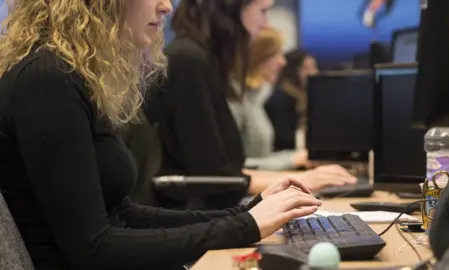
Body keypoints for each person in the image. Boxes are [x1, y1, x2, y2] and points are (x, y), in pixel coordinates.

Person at [0, 1, 323, 269]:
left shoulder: (70, 76)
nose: (167, 6)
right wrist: (244, 227)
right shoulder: (47, 80)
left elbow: (123, 213)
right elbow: (94, 249)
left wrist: (246, 213)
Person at [145, 0, 356, 210]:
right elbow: (212, 178)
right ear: (230, 10)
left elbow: (226, 173)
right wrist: (300, 180)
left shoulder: (202, 60)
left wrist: (297, 178)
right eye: (263, 12)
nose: (266, 24)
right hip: (195, 223)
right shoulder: (188, 60)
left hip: (207, 219)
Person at [228, 27, 311, 170]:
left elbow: (262, 159)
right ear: (259, 56)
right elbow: (233, 168)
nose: (282, 62)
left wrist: (299, 157)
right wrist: (292, 160)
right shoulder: (234, 101)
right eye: (276, 54)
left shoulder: (253, 100)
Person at [265, 49, 319, 152]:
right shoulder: (281, 98)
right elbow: (284, 140)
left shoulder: (307, 97)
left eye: (314, 67)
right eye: (306, 68)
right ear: (292, 71)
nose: (314, 73)